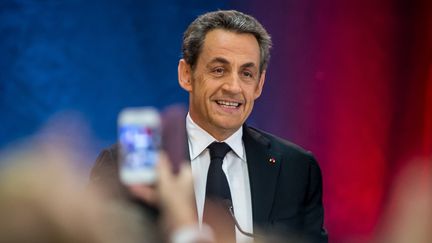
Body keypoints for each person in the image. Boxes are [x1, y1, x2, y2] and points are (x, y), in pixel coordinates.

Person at [90, 10, 327, 243]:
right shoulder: (125, 165)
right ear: (186, 74)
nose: (233, 87)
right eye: (218, 70)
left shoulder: (296, 169)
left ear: (259, 84)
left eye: (246, 73)